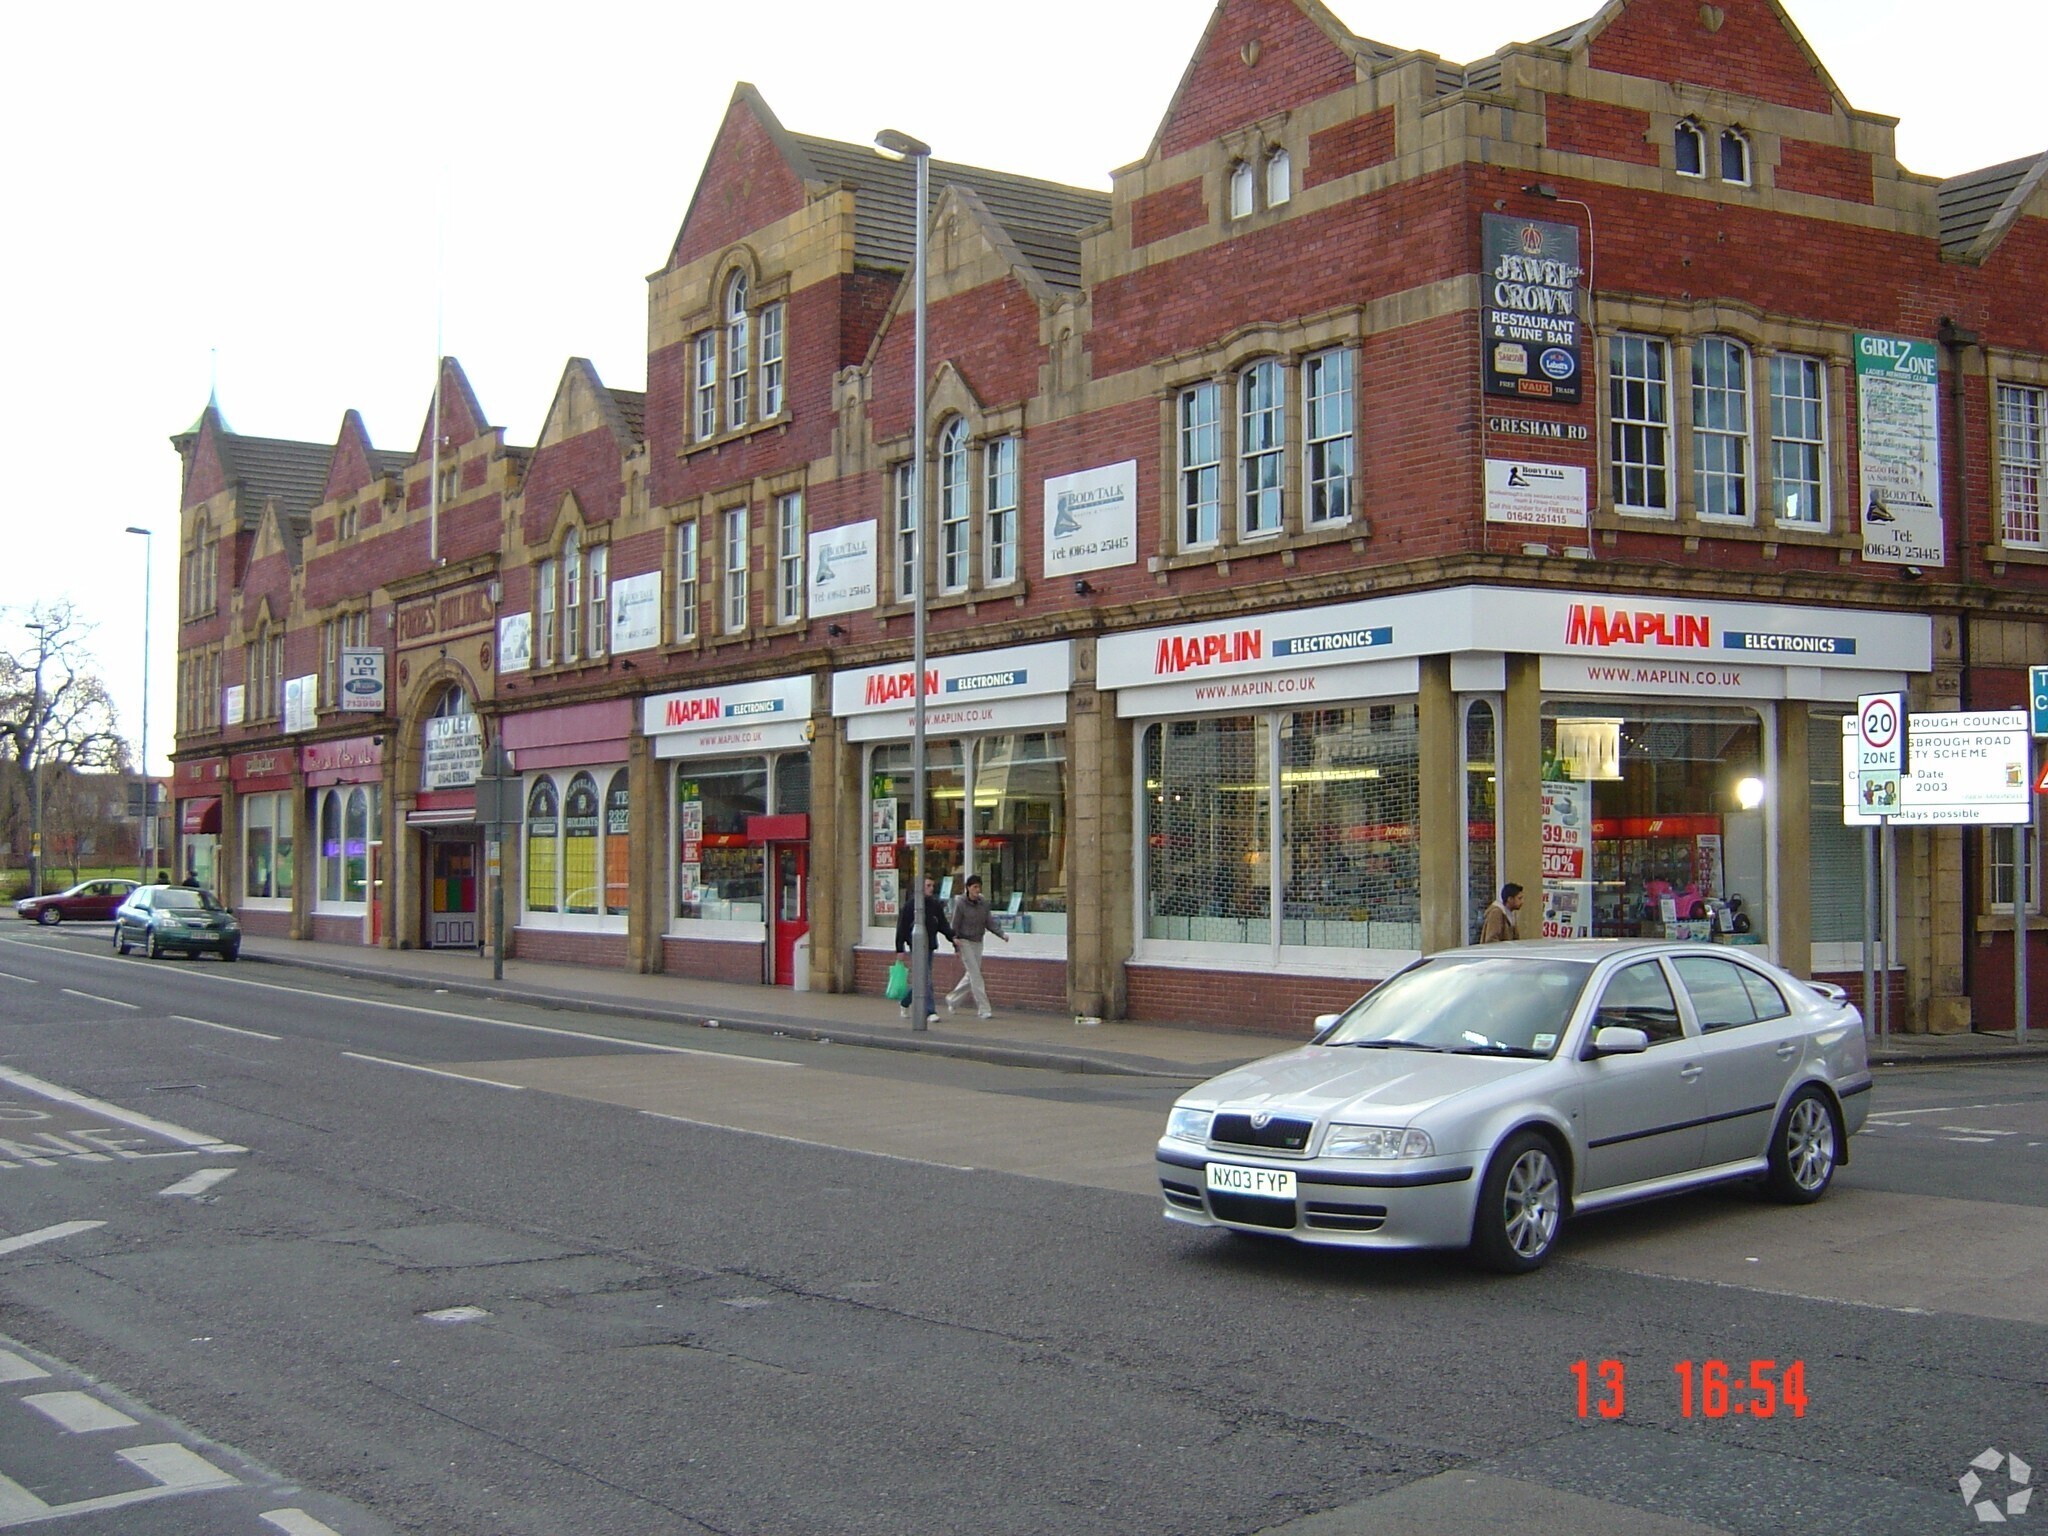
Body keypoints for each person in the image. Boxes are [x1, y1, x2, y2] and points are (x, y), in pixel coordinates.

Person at [944, 873, 1009, 1018]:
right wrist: (955, 944)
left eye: (979, 887)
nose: (977, 890)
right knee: (976, 975)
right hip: (964, 941)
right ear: (968, 888)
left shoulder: (983, 904)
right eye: (974, 887)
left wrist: (1001, 934)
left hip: (978, 941)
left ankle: (952, 999)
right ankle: (984, 1008)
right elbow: (955, 925)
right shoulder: (960, 903)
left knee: (972, 974)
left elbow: (989, 922)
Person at [893, 876, 953, 1022]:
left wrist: (953, 937)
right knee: (926, 979)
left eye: (932, 885)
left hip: (929, 945)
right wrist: (900, 948)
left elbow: (942, 924)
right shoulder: (910, 906)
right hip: (916, 946)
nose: (931, 888)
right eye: (928, 885)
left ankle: (905, 1001)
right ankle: (930, 1011)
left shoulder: (934, 905)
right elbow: (901, 927)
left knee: (922, 979)